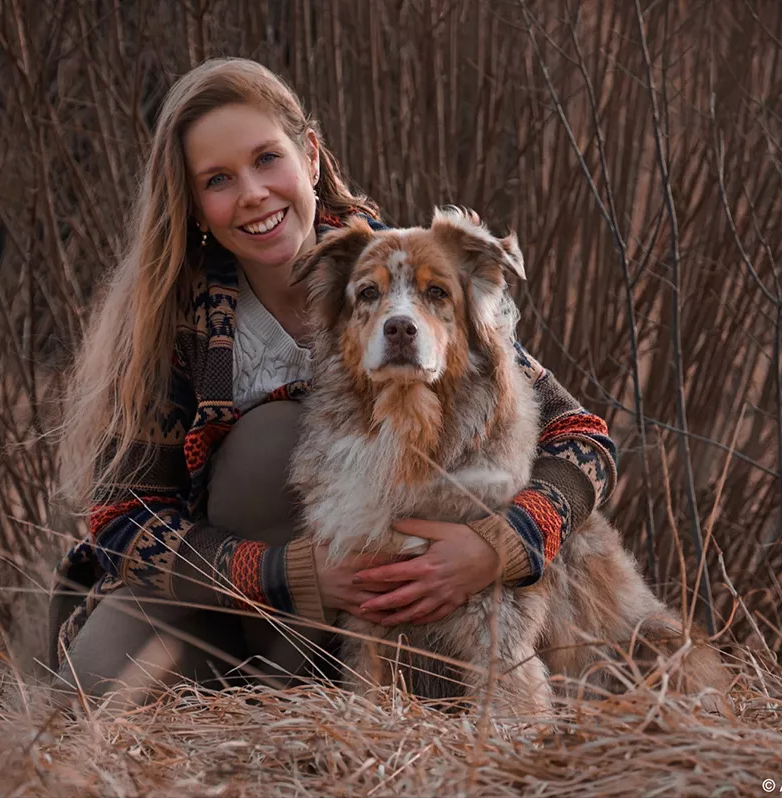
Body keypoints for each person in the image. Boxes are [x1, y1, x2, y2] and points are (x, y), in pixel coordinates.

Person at [49, 57, 617, 698]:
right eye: (218, 179)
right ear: (195, 208)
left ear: (310, 158)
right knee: (89, 686)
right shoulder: (172, 325)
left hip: (390, 600)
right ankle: (275, 690)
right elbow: (124, 521)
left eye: (267, 159)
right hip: (232, 600)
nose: (254, 194)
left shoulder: (406, 274)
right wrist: (285, 573)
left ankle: (351, 688)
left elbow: (581, 435)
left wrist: (501, 544)